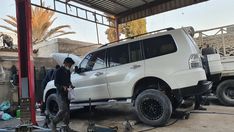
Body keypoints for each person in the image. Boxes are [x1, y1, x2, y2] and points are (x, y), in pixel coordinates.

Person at [51, 57, 75, 132]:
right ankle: (53, 123)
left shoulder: (68, 72)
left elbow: (68, 81)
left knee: (67, 111)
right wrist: (62, 87)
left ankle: (66, 127)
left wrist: (71, 85)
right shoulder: (58, 71)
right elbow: (56, 83)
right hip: (60, 93)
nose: (70, 66)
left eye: (71, 65)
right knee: (63, 109)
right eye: (70, 64)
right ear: (65, 63)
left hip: (67, 93)